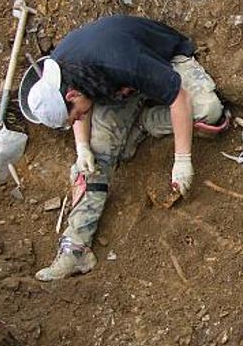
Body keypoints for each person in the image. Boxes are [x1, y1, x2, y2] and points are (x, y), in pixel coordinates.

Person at [25, 15, 226, 281]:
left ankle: (144, 122)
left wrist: (182, 160)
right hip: (119, 89)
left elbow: (179, 97)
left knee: (209, 110)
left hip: (162, 61)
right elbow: (78, 114)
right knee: (93, 159)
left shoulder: (118, 60)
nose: (77, 121)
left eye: (74, 117)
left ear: (72, 96)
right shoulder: (60, 74)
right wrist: (83, 147)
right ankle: (75, 249)